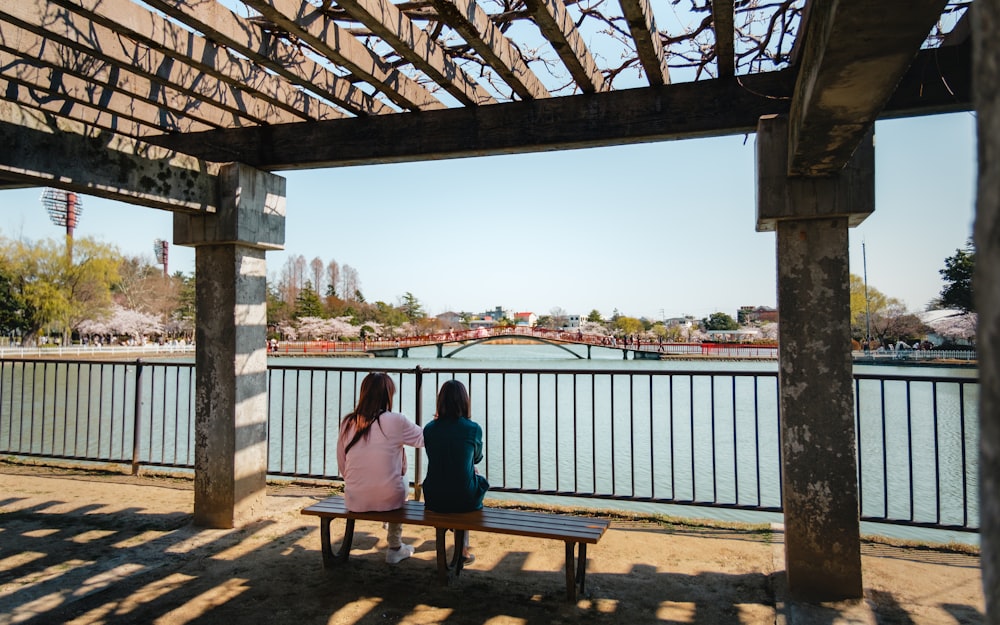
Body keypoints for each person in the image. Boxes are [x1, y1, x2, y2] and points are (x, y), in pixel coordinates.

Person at [336, 372, 423, 564]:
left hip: (355, 497)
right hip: (389, 498)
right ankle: (395, 547)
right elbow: (425, 439)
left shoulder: (348, 422)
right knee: (401, 479)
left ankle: (387, 525)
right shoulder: (396, 420)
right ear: (388, 395)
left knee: (392, 474)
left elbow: (342, 464)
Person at [421, 380, 489, 563]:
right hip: (463, 499)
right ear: (465, 402)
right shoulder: (473, 429)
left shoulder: (429, 429)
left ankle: (458, 548)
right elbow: (477, 457)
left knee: (456, 476)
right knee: (468, 478)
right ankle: (463, 550)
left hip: (434, 497)